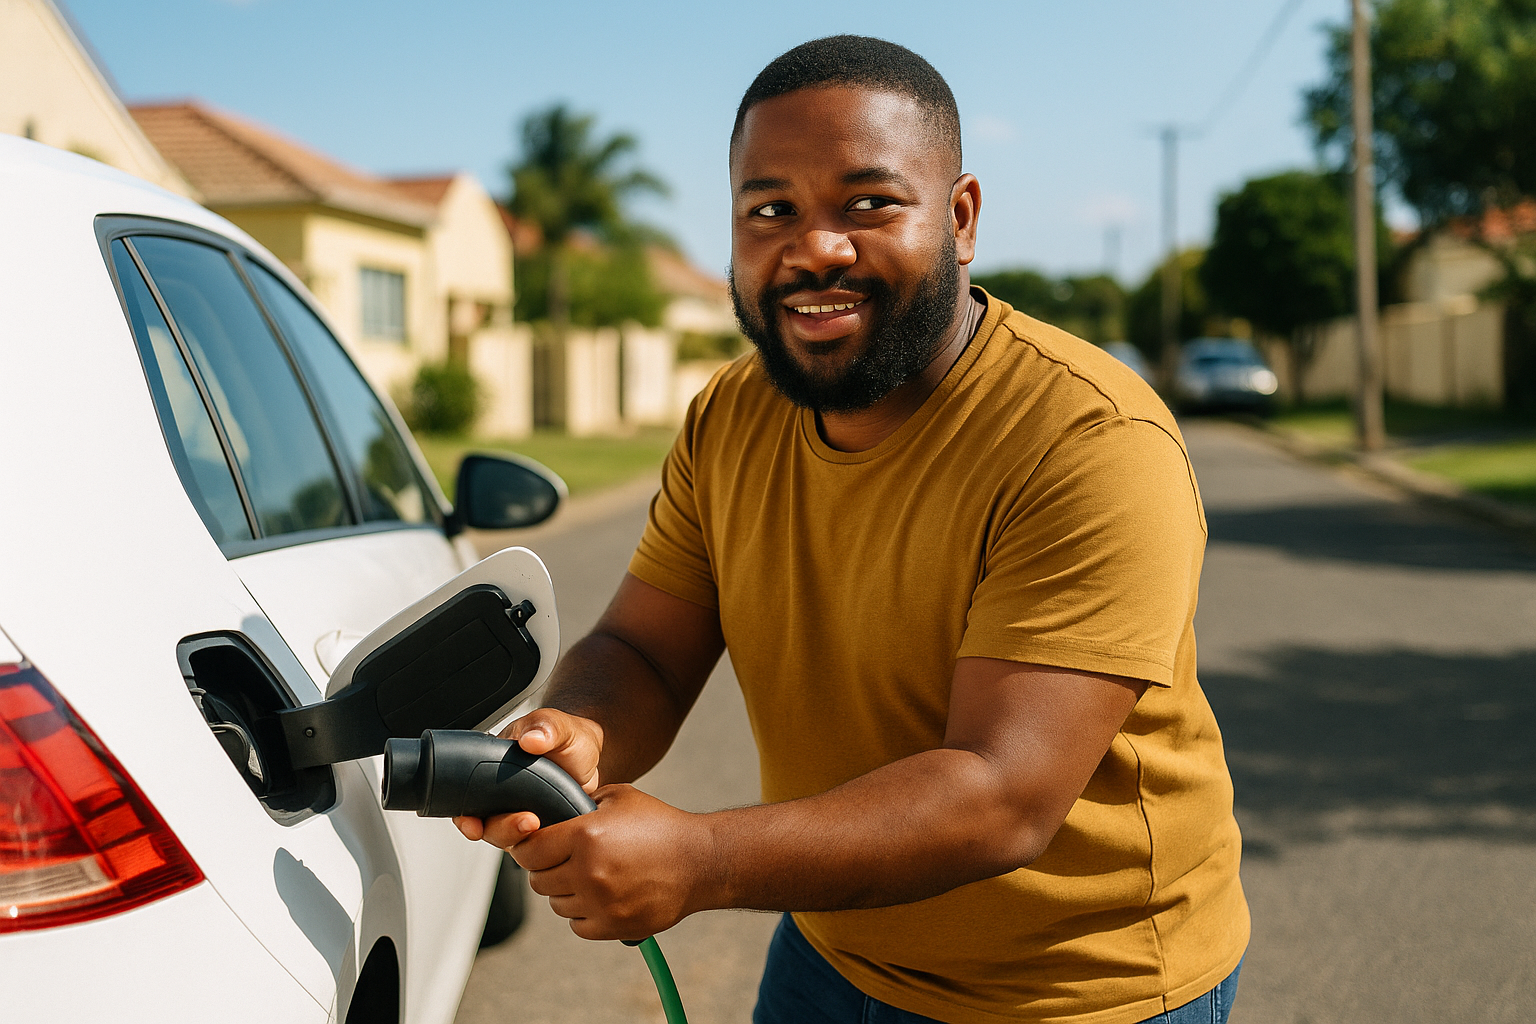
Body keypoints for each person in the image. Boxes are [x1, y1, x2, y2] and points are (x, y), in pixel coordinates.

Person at [455, 35, 1249, 1024]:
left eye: (868, 203)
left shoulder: (1088, 439)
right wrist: (577, 732)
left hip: (1075, 988)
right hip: (833, 948)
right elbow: (644, 651)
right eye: (770, 210)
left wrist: (702, 859)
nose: (815, 248)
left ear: (959, 218)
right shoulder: (729, 416)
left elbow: (1001, 794)